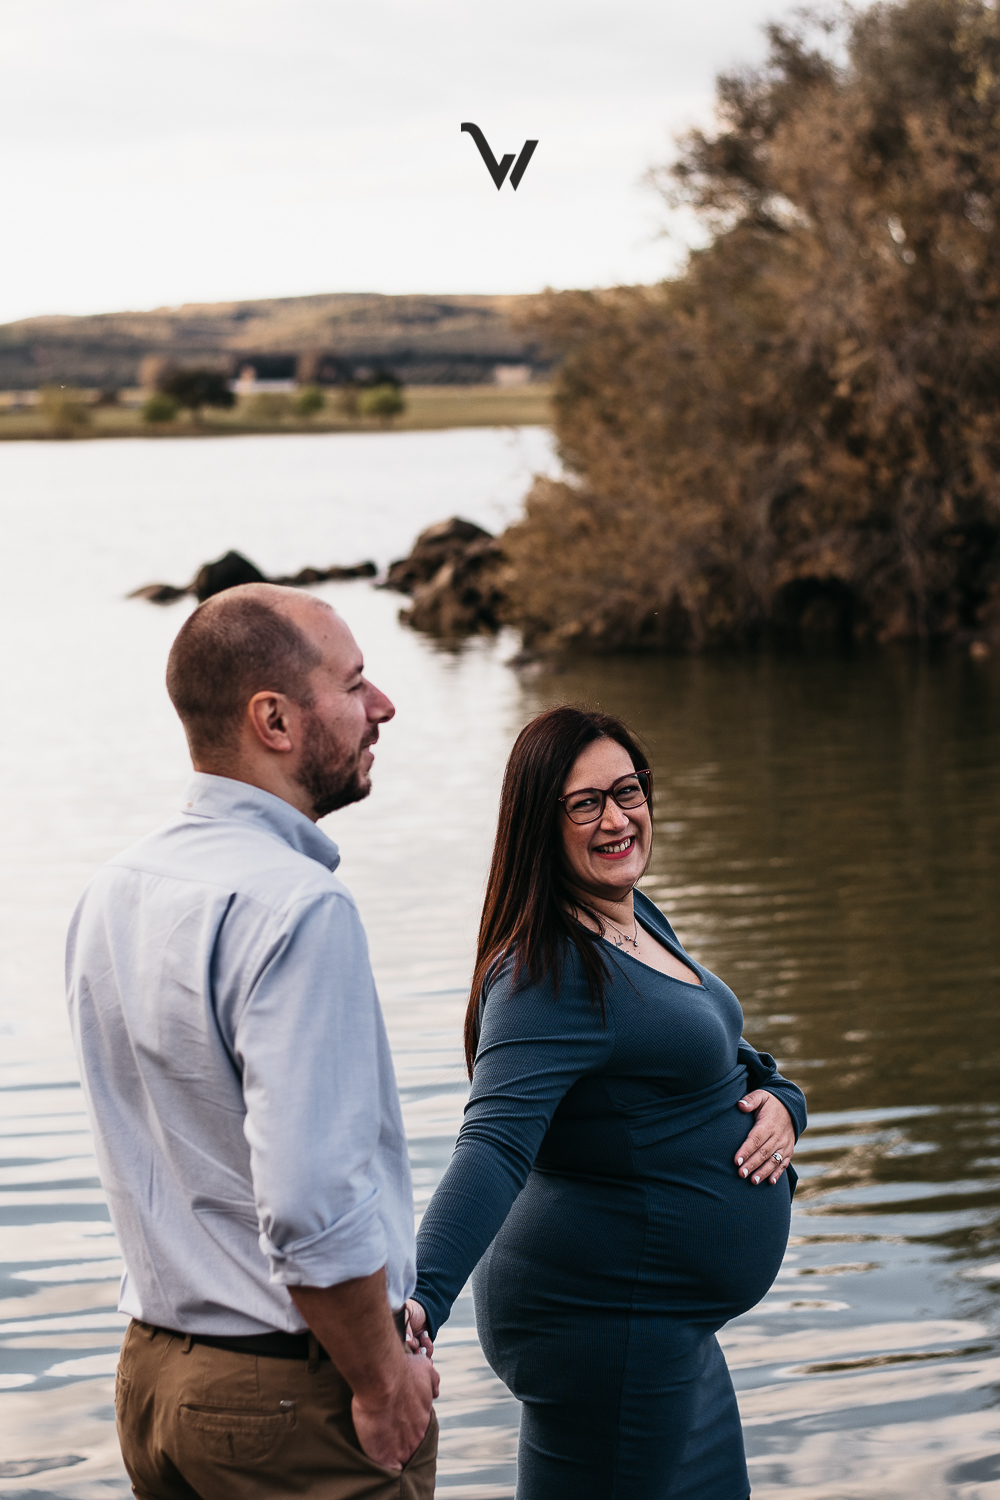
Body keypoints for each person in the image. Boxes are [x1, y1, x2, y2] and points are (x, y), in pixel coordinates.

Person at [66, 584, 438, 1500]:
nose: (381, 705)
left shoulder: (116, 887)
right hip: (289, 1403)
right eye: (354, 685)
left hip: (155, 1382)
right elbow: (312, 1205)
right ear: (273, 718)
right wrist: (382, 1380)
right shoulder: (298, 906)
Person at [408, 705, 807, 1500]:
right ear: (538, 822)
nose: (617, 818)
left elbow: (708, 1048)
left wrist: (785, 1100)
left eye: (628, 791)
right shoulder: (542, 974)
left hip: (669, 1319)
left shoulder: (631, 914)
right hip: (605, 1320)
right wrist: (419, 1304)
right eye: (585, 803)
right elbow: (492, 1146)